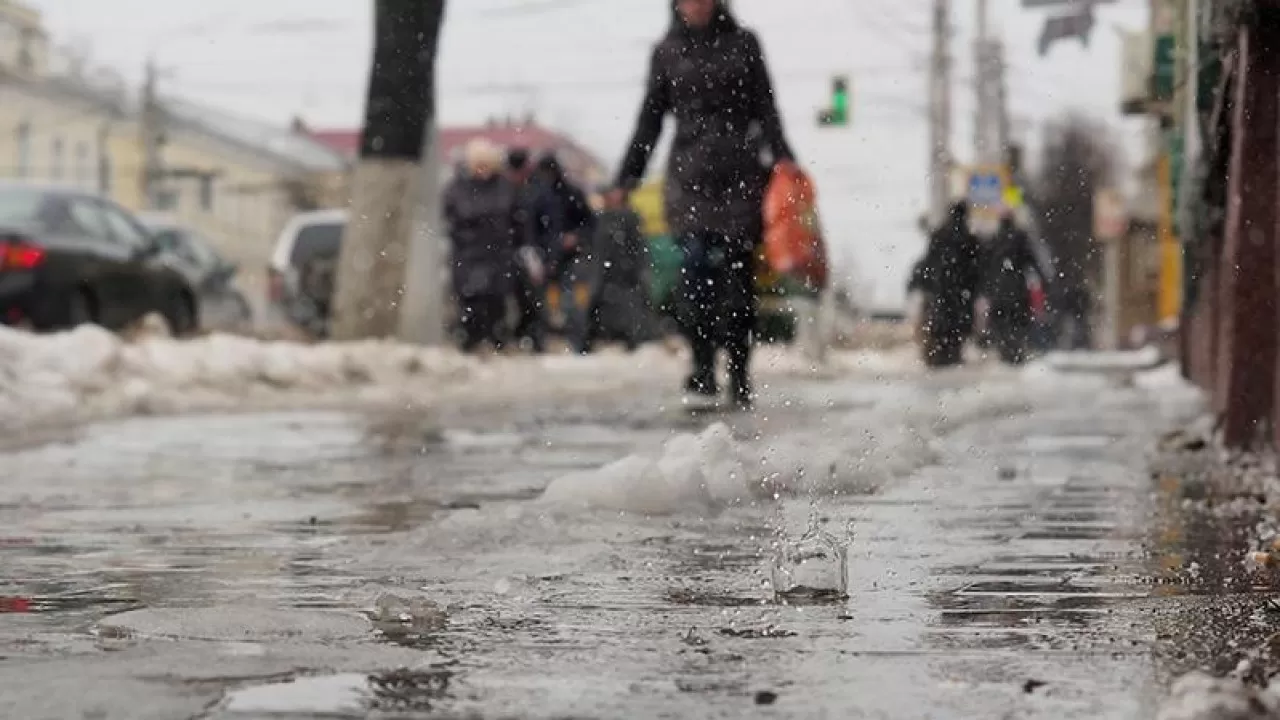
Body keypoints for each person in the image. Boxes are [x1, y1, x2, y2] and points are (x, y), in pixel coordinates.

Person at [612, 0, 797, 408]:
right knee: (694, 273)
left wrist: (784, 157)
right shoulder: (667, 51)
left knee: (737, 276)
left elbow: (766, 108)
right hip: (689, 178)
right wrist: (627, 177)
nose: (695, 6)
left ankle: (739, 371)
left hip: (741, 175)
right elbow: (651, 118)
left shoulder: (744, 44)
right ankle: (700, 366)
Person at [443, 139, 527, 353]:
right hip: (469, 255)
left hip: (498, 256)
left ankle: (496, 340)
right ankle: (471, 342)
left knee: (496, 303)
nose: (483, 170)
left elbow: (518, 221)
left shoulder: (505, 188)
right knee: (472, 302)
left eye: (486, 164)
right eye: (478, 165)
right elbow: (451, 220)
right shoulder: (457, 189)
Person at [907, 201, 983, 368]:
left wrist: (925, 285)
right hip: (961, 293)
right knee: (957, 331)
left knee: (941, 328)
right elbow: (976, 269)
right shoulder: (970, 239)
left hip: (941, 291)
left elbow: (928, 263)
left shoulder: (939, 235)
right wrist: (975, 289)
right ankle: (953, 356)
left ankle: (939, 357)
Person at [534, 154, 595, 353]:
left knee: (570, 303)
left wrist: (575, 237)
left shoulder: (570, 193)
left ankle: (576, 342)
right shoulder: (539, 195)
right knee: (545, 304)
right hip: (546, 256)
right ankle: (545, 343)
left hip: (569, 256)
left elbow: (589, 222)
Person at [588, 189, 653, 351]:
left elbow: (637, 246)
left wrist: (637, 268)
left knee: (628, 306)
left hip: (624, 271)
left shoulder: (628, 217)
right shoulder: (604, 218)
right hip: (607, 270)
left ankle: (631, 338)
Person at [982, 211, 1048, 365]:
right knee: (1017, 323)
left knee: (1001, 323)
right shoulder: (1020, 239)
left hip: (998, 292)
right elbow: (1032, 262)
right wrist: (1044, 281)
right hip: (1017, 290)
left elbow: (984, 268)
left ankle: (1005, 350)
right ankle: (1015, 351)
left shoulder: (994, 241)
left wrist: (986, 289)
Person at [507, 148, 549, 353]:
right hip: (512, 251)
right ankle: (520, 336)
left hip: (534, 250)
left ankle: (536, 339)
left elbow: (544, 223)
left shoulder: (536, 190)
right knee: (520, 298)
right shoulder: (509, 190)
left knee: (535, 299)